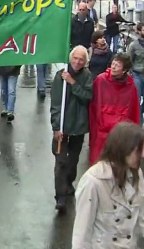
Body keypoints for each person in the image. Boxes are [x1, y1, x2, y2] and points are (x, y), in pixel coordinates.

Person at [73, 123, 144, 248]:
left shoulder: (136, 174)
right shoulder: (93, 181)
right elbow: (82, 233)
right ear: (124, 149)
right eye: (139, 150)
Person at [50, 46, 93, 213]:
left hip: (79, 126)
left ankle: (68, 183)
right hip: (62, 127)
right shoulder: (60, 75)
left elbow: (88, 96)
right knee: (60, 161)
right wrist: (55, 126)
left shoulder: (87, 76)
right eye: (75, 58)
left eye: (81, 59)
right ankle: (60, 197)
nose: (77, 62)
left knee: (73, 161)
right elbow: (55, 102)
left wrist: (73, 83)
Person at [89, 53, 140, 165]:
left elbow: (133, 112)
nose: (114, 66)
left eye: (118, 64)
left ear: (124, 70)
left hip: (119, 133)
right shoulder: (101, 80)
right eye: (113, 63)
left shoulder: (131, 87)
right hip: (102, 129)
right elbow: (94, 105)